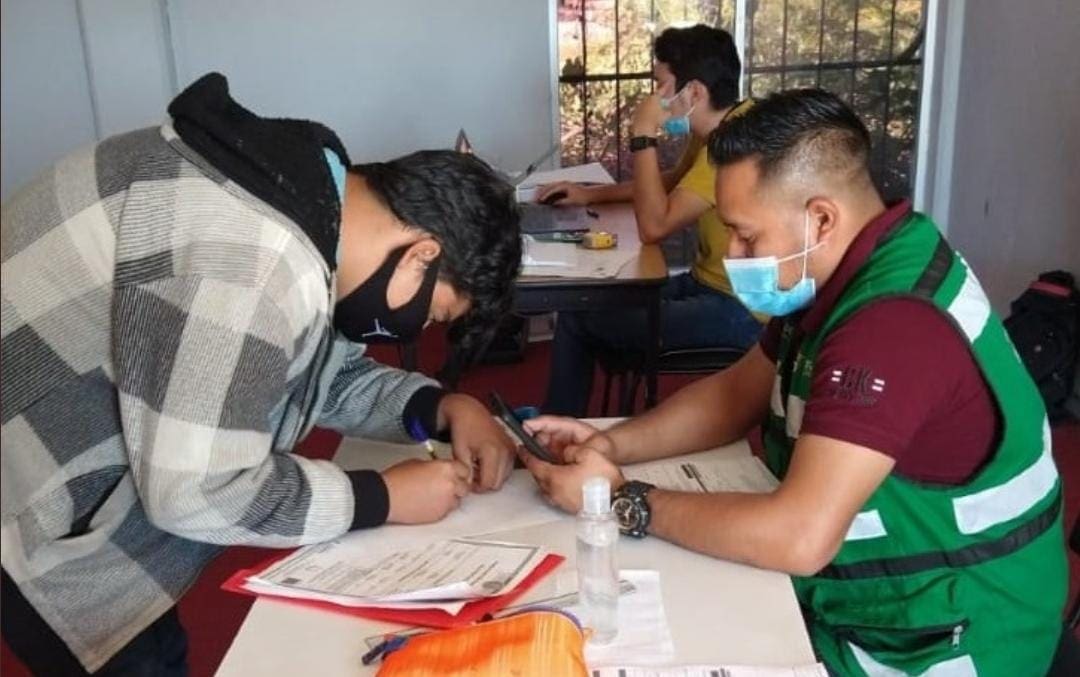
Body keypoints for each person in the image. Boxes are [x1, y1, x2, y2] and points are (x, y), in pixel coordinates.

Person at [520, 89, 1067, 675]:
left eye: (746, 235)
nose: (734, 255)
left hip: (946, 638)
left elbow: (800, 536)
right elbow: (736, 395)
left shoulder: (890, 325)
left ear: (821, 219)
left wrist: (624, 501)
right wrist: (610, 444)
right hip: (876, 597)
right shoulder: (842, 269)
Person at [0, 72, 521, 674]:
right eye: (433, 314)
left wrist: (443, 409)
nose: (416, 329)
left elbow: (314, 375)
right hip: (39, 516)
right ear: (423, 253)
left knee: (154, 644)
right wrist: (380, 498)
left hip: (100, 482)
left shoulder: (309, 199)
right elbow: (197, 491)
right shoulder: (253, 259)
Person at [538, 24, 765, 416]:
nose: (654, 97)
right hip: (706, 283)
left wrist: (643, 134)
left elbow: (654, 226)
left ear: (694, 92)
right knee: (582, 305)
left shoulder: (734, 145)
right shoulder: (723, 125)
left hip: (741, 309)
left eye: (660, 86)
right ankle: (561, 419)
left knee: (579, 318)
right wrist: (590, 194)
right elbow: (669, 183)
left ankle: (555, 425)